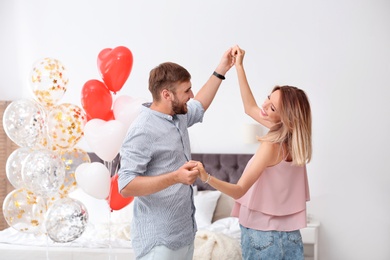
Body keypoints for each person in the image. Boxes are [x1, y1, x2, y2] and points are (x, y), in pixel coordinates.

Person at [196, 45, 312, 260]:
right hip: (289, 235)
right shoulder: (294, 139)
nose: (264, 105)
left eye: (272, 108)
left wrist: (206, 177)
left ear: (285, 118)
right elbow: (249, 107)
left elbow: (239, 191)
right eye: (269, 97)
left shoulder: (271, 146)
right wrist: (239, 67)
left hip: (262, 235)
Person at [117, 48, 234, 260]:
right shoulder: (143, 129)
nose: (191, 95)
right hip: (159, 242)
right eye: (186, 91)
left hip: (184, 235)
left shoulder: (177, 115)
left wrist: (222, 68)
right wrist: (175, 177)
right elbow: (125, 186)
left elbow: (200, 106)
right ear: (166, 95)